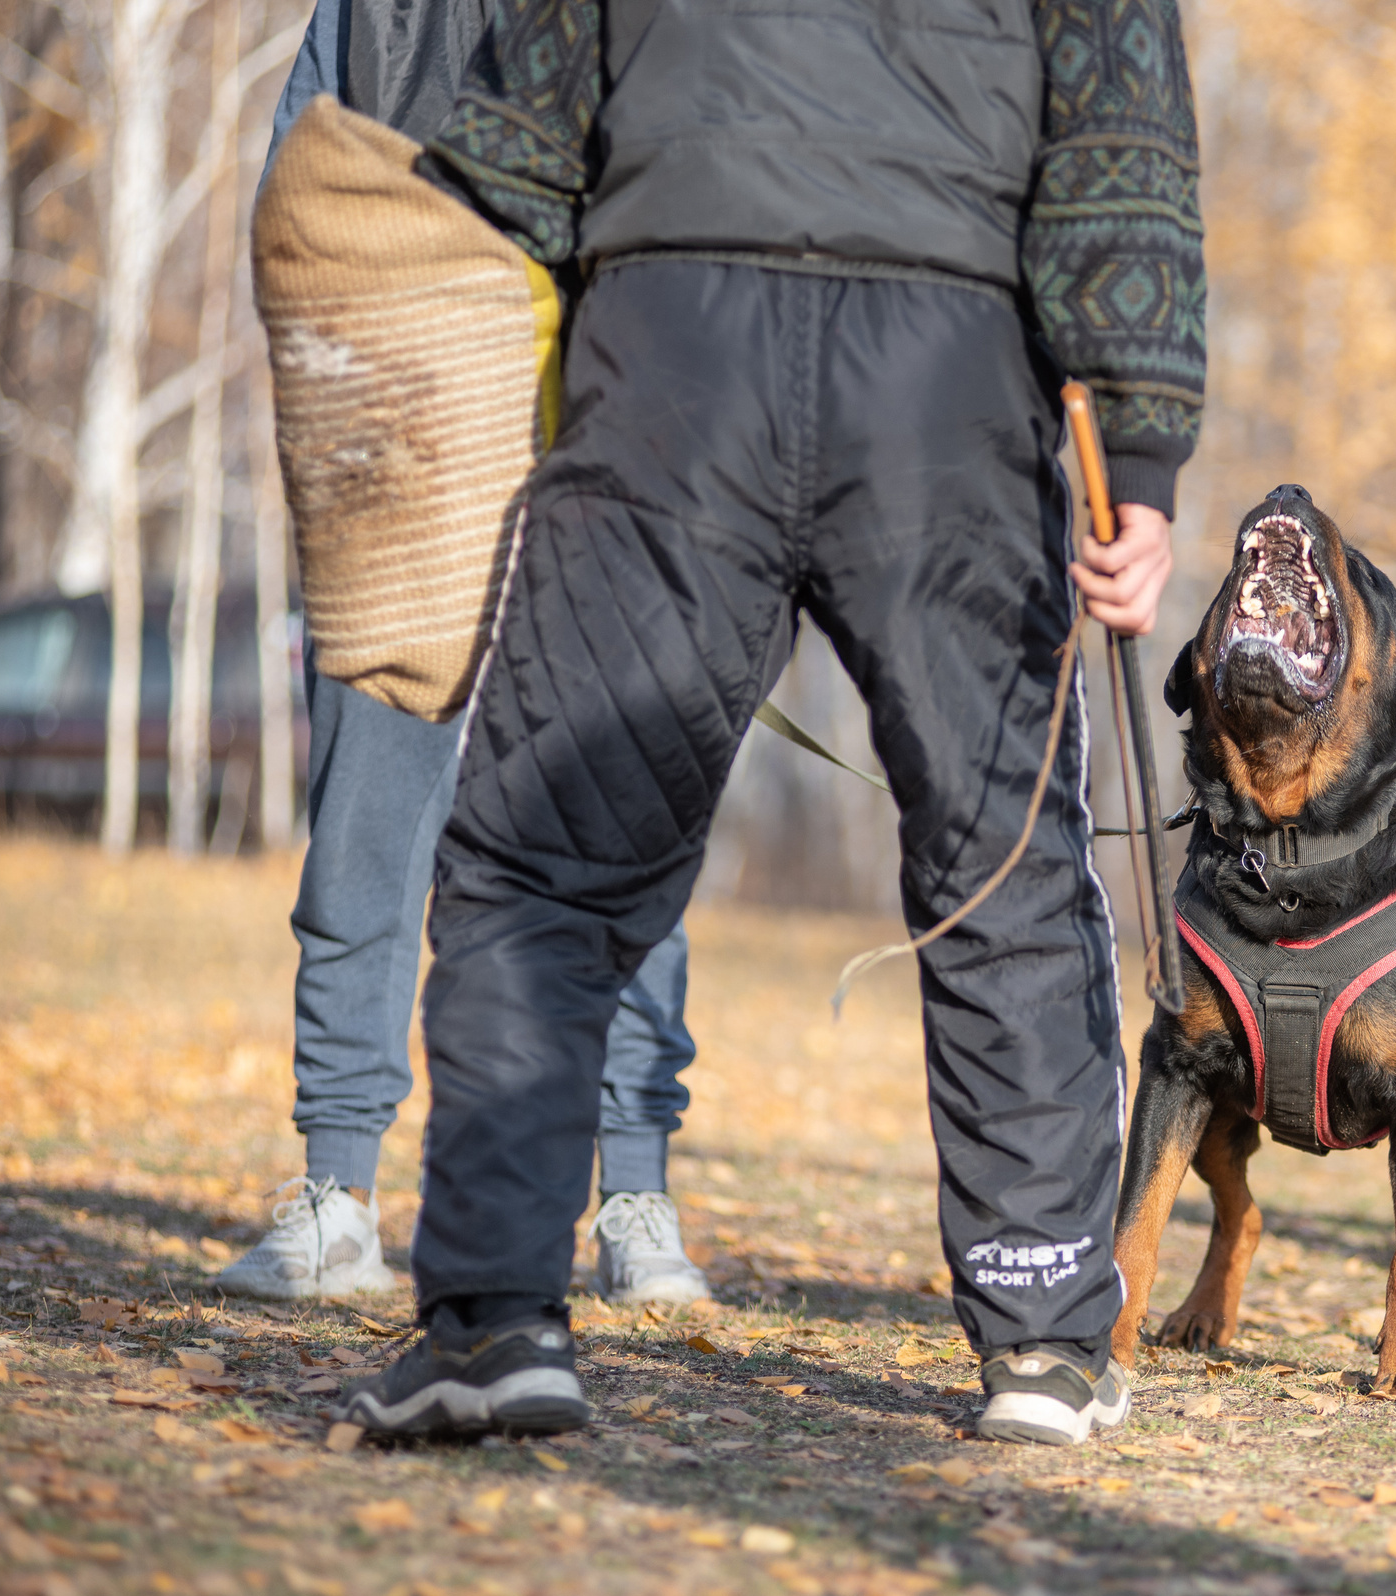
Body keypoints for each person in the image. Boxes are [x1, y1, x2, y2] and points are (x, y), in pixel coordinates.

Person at [331, 0, 1203, 1447]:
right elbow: (1124, 133)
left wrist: (457, 331)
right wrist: (1145, 445)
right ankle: (1046, 1334)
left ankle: (490, 1320)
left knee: (548, 850)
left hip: (674, 346)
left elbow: (526, 117)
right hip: (950, 364)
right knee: (1002, 859)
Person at [216, 0, 711, 1310]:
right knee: (368, 824)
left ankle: (635, 1195)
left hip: (600, 458)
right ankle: (336, 1192)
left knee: (620, 821)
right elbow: (301, 187)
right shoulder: (374, 10)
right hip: (411, 449)